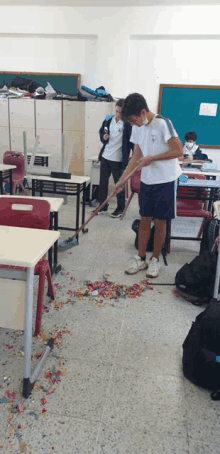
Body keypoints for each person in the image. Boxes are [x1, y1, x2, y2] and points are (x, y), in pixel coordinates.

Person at [114, 93, 183, 278]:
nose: (132, 124)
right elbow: (135, 158)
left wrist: (152, 158)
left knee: (160, 221)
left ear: (143, 112)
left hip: (166, 180)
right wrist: (120, 182)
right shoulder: (137, 127)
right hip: (147, 180)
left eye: (133, 119)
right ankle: (140, 258)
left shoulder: (162, 123)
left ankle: (155, 260)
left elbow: (178, 150)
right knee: (144, 218)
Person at [94, 99, 133, 218]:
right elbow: (101, 133)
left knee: (119, 184)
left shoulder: (128, 124)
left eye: (120, 112)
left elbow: (132, 141)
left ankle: (120, 208)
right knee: (103, 183)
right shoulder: (108, 120)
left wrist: (133, 158)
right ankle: (102, 206)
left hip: (118, 159)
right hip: (106, 155)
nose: (118, 114)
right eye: (116, 111)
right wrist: (104, 137)